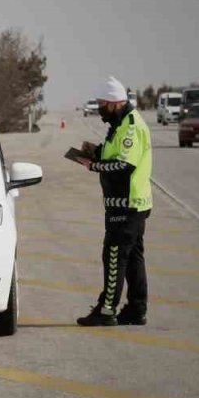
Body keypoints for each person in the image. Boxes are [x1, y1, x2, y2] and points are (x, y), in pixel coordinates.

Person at [75, 76, 153, 326]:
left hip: (127, 204)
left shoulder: (131, 126)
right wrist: (96, 151)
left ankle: (107, 310)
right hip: (128, 204)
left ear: (114, 103)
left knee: (115, 255)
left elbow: (124, 164)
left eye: (102, 104)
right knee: (132, 258)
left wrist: (93, 165)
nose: (99, 109)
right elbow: (115, 154)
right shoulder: (119, 125)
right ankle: (136, 309)